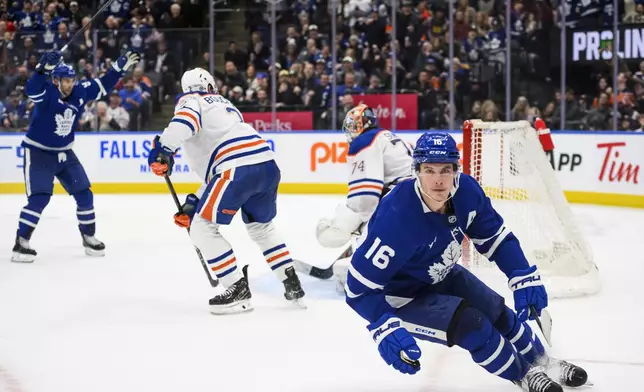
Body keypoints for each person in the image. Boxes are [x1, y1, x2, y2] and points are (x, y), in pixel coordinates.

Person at [344, 132, 589, 392]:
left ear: (456, 171)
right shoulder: (396, 217)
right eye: (429, 170)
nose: (438, 180)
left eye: (445, 170)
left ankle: (544, 363)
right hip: (403, 298)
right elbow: (357, 289)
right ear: (416, 171)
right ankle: (525, 375)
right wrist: (383, 325)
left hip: (440, 273)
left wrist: (521, 274)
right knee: (474, 326)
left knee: (497, 311)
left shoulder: (467, 192)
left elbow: (496, 238)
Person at [147, 67, 305, 314]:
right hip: (266, 165)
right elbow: (219, 171)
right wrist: (194, 202)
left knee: (201, 228)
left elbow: (185, 124)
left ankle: (236, 289)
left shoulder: (191, 100)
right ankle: (291, 281)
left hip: (236, 168)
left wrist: (163, 150)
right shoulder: (225, 105)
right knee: (262, 228)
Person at [11, 49, 141, 263]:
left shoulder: (80, 91)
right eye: (65, 80)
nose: (70, 84)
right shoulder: (46, 93)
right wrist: (42, 69)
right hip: (39, 152)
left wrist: (118, 68)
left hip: (64, 152)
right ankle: (21, 243)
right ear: (56, 80)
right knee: (39, 198)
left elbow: (102, 85)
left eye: (72, 80)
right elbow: (31, 88)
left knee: (84, 194)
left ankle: (88, 237)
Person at [308, 104, 413, 290]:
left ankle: (359, 274)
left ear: (362, 125)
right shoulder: (386, 136)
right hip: (413, 198)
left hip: (400, 200)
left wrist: (350, 224)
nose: (350, 132)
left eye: (353, 126)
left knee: (356, 226)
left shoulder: (365, 141)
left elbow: (365, 196)